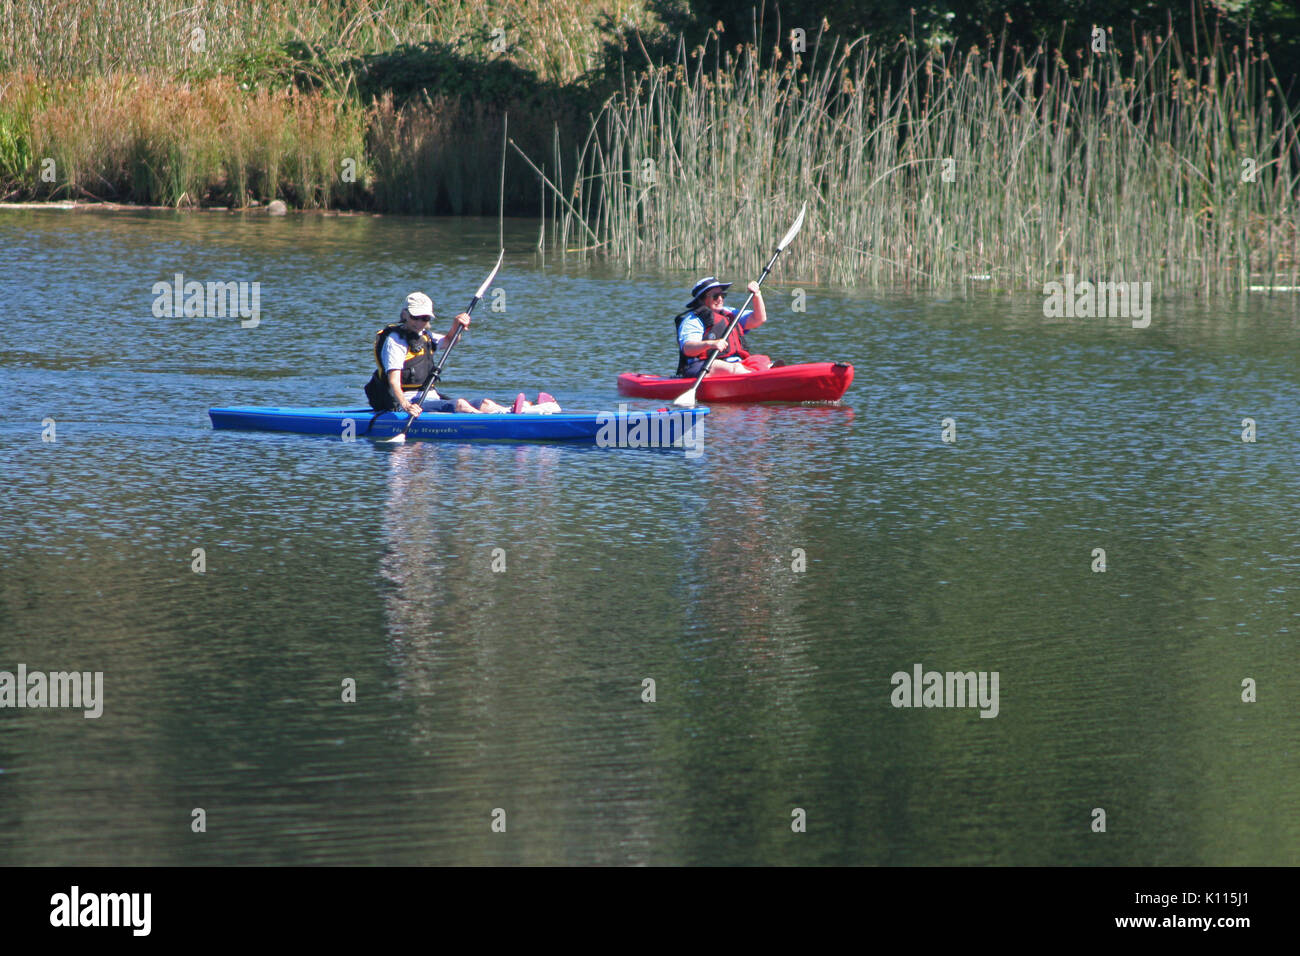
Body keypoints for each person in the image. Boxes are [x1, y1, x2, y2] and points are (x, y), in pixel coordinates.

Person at [365, 292, 559, 415]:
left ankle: (522, 411)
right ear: (405, 314)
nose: (420, 322)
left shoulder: (425, 336)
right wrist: (406, 406)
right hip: (405, 402)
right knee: (460, 405)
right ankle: (501, 420)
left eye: (425, 318)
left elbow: (449, 341)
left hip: (430, 397)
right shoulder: (395, 341)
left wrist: (456, 325)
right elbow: (393, 382)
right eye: (416, 317)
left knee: (484, 402)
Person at [674, 276, 768, 377]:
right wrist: (710, 344)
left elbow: (759, 319)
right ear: (701, 300)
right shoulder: (693, 320)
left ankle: (769, 375)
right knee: (736, 369)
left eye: (722, 295)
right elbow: (688, 349)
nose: (720, 299)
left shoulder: (730, 313)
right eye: (715, 296)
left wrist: (757, 295)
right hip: (702, 365)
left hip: (734, 363)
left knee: (762, 361)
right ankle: (761, 378)